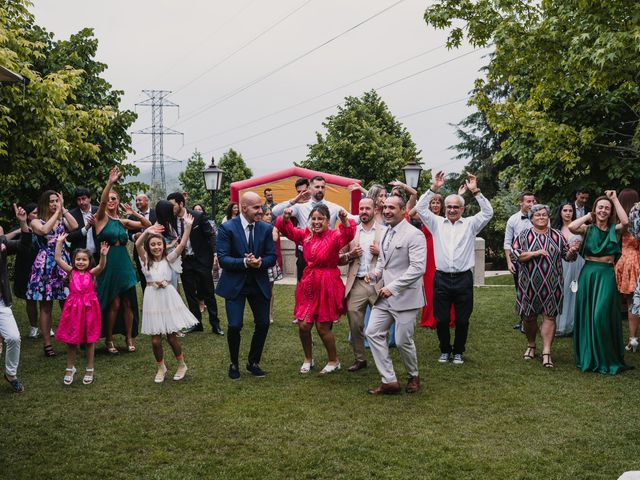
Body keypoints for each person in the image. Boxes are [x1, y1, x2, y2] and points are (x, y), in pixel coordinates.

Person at [416, 171, 493, 365]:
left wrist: (476, 191)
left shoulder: (470, 224)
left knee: (462, 320)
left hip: (463, 279)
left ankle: (458, 351)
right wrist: (434, 188)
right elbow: (420, 208)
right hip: (441, 278)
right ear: (444, 208)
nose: (451, 210)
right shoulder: (436, 223)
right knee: (441, 319)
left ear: (462, 209)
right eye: (449, 206)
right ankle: (444, 350)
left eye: (455, 207)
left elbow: (488, 213)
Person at [277, 203, 355, 374]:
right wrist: (285, 218)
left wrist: (344, 220)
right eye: (314, 219)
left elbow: (348, 234)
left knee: (322, 328)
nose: (317, 222)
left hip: (327, 284)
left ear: (328, 221)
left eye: (321, 219)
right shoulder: (305, 235)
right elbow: (286, 229)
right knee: (303, 326)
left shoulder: (335, 236)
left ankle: (334, 361)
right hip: (309, 283)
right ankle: (308, 359)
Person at [364, 195, 426, 394]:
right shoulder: (386, 232)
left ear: (402, 211)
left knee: (402, 341)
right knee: (372, 332)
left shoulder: (414, 234)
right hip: (384, 297)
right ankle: (389, 380)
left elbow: (418, 268)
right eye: (385, 207)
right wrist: (374, 275)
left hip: (406, 297)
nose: (387, 211)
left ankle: (413, 375)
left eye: (392, 207)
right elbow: (383, 262)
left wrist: (393, 288)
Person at [216, 192, 276, 380]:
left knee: (264, 323)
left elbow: (272, 256)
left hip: (258, 283)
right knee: (235, 325)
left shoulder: (265, 229)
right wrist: (244, 262)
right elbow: (223, 259)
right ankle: (234, 364)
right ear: (243, 208)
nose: (261, 210)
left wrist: (260, 262)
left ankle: (253, 362)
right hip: (235, 284)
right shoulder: (227, 228)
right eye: (256, 207)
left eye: (261, 207)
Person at [569, 191, 630, 374]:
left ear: (611, 211)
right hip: (588, 274)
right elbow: (572, 226)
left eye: (607, 208)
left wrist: (614, 199)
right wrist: (588, 216)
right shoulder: (587, 229)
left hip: (606, 275)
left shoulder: (615, 230)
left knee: (600, 315)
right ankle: (590, 356)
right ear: (595, 209)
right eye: (600, 207)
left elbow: (626, 222)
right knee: (589, 315)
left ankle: (606, 356)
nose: (603, 211)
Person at [512, 204, 579, 368]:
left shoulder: (557, 235)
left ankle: (547, 352)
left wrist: (573, 251)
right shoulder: (523, 235)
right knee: (529, 317)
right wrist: (535, 253)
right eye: (538, 215)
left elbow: (567, 257)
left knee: (550, 317)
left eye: (544, 215)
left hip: (552, 284)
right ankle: (531, 344)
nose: (541, 217)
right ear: (531, 218)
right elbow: (516, 256)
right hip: (528, 285)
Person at [95, 167, 150, 354]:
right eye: (108, 198)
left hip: (124, 263)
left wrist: (134, 214)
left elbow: (148, 226)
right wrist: (110, 182)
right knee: (114, 302)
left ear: (118, 201)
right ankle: (109, 339)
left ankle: (128, 338)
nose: (110, 201)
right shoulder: (100, 219)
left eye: (114, 198)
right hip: (109, 262)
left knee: (128, 302)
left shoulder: (123, 222)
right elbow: (102, 202)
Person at [136, 220, 199, 383]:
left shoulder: (169, 259)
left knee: (171, 337)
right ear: (149, 248)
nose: (156, 247)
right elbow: (137, 244)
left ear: (164, 246)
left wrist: (188, 228)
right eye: (153, 245)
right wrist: (147, 231)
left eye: (159, 244)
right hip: (152, 299)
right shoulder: (145, 261)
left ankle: (181, 364)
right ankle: (161, 367)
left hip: (167, 298)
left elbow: (183, 243)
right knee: (155, 340)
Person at [27, 190, 79, 357]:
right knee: (46, 305)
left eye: (57, 200)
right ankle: (47, 344)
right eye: (51, 201)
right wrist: (56, 212)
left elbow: (75, 226)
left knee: (67, 301)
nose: (54, 203)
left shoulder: (61, 217)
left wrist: (62, 209)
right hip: (45, 264)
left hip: (62, 262)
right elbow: (43, 231)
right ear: (44, 203)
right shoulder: (36, 221)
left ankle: (71, 337)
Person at [54, 234, 109, 385]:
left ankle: (90, 368)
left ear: (89, 261)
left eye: (84, 259)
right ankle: (70, 368)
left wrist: (103, 255)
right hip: (73, 310)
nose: (80, 262)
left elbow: (101, 266)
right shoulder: (71, 272)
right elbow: (58, 259)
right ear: (74, 260)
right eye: (78, 259)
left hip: (89, 310)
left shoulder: (92, 274)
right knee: (71, 341)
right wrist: (59, 243)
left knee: (89, 340)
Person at [340, 197, 387, 372]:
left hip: (379, 283)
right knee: (355, 324)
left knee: (382, 323)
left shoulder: (385, 231)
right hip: (357, 283)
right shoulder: (351, 232)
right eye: (361, 209)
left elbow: (394, 257)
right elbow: (339, 257)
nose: (364, 212)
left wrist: (380, 251)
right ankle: (360, 359)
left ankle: (382, 357)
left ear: (375, 210)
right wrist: (351, 255)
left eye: (367, 208)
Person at [167, 192, 223, 335]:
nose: (171, 208)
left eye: (172, 205)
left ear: (181, 204)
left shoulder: (197, 216)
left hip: (201, 259)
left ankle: (215, 324)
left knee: (208, 292)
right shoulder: (170, 219)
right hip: (184, 261)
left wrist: (215, 254)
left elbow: (210, 235)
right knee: (190, 293)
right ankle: (196, 323)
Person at [0, 204, 31, 393]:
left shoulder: (2, 246)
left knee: (13, 338)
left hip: (1, 302)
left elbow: (24, 245)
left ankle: (10, 374)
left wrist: (22, 223)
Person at [409, 192, 450, 329]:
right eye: (433, 202)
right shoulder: (424, 216)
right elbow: (410, 213)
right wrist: (424, 197)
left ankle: (446, 317)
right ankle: (430, 318)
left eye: (438, 202)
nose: (435, 205)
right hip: (428, 255)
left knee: (444, 286)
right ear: (429, 204)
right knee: (429, 286)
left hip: (442, 252)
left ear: (441, 205)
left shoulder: (447, 218)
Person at [504, 192, 536, 331]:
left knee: (536, 290)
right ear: (521, 203)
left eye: (533, 201)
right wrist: (509, 262)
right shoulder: (513, 219)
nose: (531, 204)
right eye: (528, 201)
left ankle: (535, 319)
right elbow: (507, 243)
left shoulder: (541, 217)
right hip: (519, 261)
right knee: (521, 291)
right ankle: (524, 320)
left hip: (537, 260)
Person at [551, 202, 584, 336]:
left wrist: (579, 246)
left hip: (577, 264)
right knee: (562, 292)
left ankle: (574, 324)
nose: (568, 213)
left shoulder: (580, 228)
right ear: (560, 212)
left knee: (575, 291)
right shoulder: (554, 230)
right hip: (561, 264)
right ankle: (560, 324)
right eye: (565, 210)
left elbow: (586, 246)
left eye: (570, 210)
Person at [614, 189, 640, 351]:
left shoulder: (620, 220)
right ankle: (632, 338)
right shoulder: (637, 216)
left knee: (625, 300)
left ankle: (630, 338)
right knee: (634, 302)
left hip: (624, 260)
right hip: (638, 259)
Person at [11, 203, 39, 338]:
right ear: (27, 216)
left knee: (45, 298)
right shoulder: (21, 229)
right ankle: (34, 326)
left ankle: (47, 325)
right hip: (26, 267)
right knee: (30, 299)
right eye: (34, 213)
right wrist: (19, 230)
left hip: (40, 267)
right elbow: (3, 239)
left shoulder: (43, 226)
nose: (37, 216)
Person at [129, 193, 156, 291]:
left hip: (155, 250)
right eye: (136, 200)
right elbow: (129, 234)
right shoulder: (132, 217)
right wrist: (134, 236)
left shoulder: (155, 213)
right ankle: (147, 300)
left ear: (147, 201)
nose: (137, 202)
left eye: (139, 200)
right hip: (140, 252)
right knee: (144, 277)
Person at [261, 207, 283, 323]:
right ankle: (261, 312)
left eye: (270, 214)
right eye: (266, 214)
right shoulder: (256, 227)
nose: (269, 216)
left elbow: (275, 238)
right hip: (260, 262)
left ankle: (269, 314)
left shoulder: (272, 228)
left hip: (270, 262)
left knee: (270, 289)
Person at [67, 187, 99, 262]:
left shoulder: (98, 211)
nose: (81, 202)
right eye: (78, 199)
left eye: (84, 198)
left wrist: (96, 225)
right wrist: (85, 229)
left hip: (97, 254)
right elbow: (69, 237)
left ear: (90, 198)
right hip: (79, 256)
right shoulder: (71, 214)